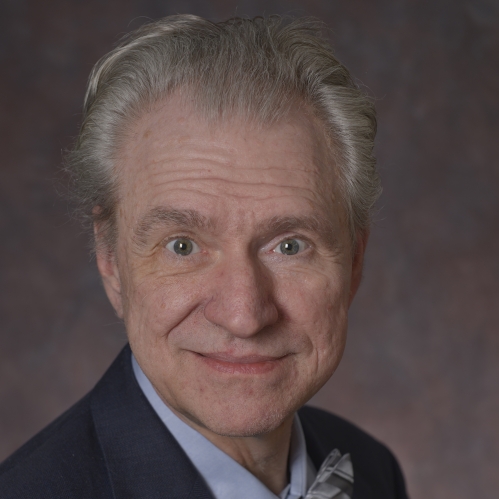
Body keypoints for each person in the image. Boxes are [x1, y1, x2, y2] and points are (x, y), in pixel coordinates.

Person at [0, 15, 409, 499]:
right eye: (183, 246)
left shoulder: (372, 469)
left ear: (354, 262)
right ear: (110, 260)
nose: (243, 315)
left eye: (289, 245)